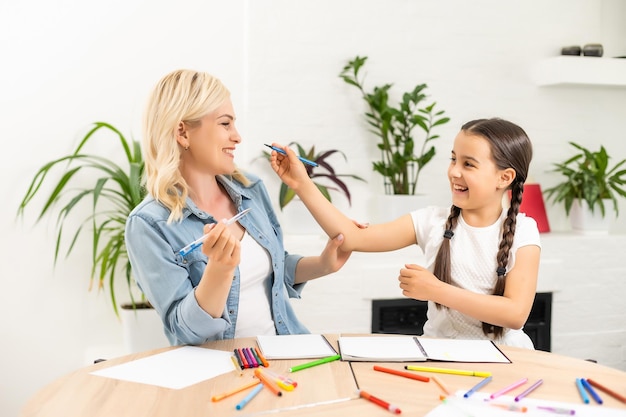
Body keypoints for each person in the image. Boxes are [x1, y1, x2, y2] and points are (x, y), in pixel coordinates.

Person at [125, 69, 352, 346]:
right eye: (225, 124)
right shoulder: (149, 225)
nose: (237, 137)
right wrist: (219, 271)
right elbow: (184, 330)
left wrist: (323, 264)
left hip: (288, 351)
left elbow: (274, 266)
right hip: (222, 371)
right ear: (182, 132)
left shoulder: (251, 190)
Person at [269, 118, 541, 348]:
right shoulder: (431, 221)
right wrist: (301, 183)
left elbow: (515, 314)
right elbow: (351, 238)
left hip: (507, 361)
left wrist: (435, 290)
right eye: (453, 159)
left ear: (504, 178)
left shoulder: (524, 231)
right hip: (440, 358)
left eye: (468, 164)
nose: (454, 171)